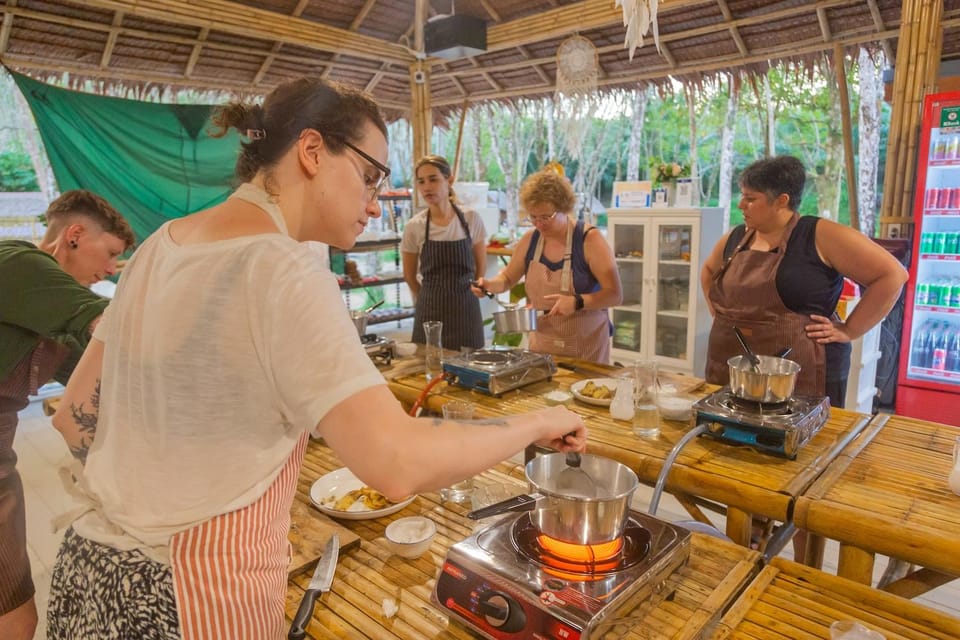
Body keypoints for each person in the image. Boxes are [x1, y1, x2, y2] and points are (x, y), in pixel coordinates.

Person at [48, 77, 587, 640]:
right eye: (370, 174)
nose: (375, 200)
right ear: (311, 151)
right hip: (188, 596)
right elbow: (396, 462)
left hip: (88, 575)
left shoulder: (159, 245)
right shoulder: (282, 266)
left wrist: (152, 493)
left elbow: (75, 413)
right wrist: (539, 421)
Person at [0, 190, 134, 640]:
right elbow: (113, 323)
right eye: (111, 253)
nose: (112, 268)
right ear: (74, 234)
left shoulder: (54, 314)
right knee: (14, 615)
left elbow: (111, 375)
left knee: (17, 609)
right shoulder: (15, 262)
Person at [701, 155, 907, 406]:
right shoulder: (735, 238)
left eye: (750, 198)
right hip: (731, 363)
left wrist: (849, 329)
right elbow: (709, 271)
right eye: (742, 196)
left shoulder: (821, 235)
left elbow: (893, 276)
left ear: (781, 201)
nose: (741, 205)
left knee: (805, 439)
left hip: (804, 368)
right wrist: (721, 314)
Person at [471, 167, 622, 363]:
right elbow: (507, 278)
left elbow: (615, 295)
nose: (539, 224)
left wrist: (577, 301)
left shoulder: (589, 240)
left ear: (564, 208)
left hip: (586, 347)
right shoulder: (530, 241)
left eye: (546, 217)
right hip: (543, 344)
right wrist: (490, 285)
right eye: (533, 217)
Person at [402, 154, 486, 350]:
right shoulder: (415, 227)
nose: (426, 187)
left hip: (466, 309)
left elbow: (480, 266)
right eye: (421, 182)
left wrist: (477, 288)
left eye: (433, 179)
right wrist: (426, 297)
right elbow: (409, 275)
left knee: (471, 367)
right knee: (428, 367)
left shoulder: (471, 219)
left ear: (449, 180)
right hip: (430, 311)